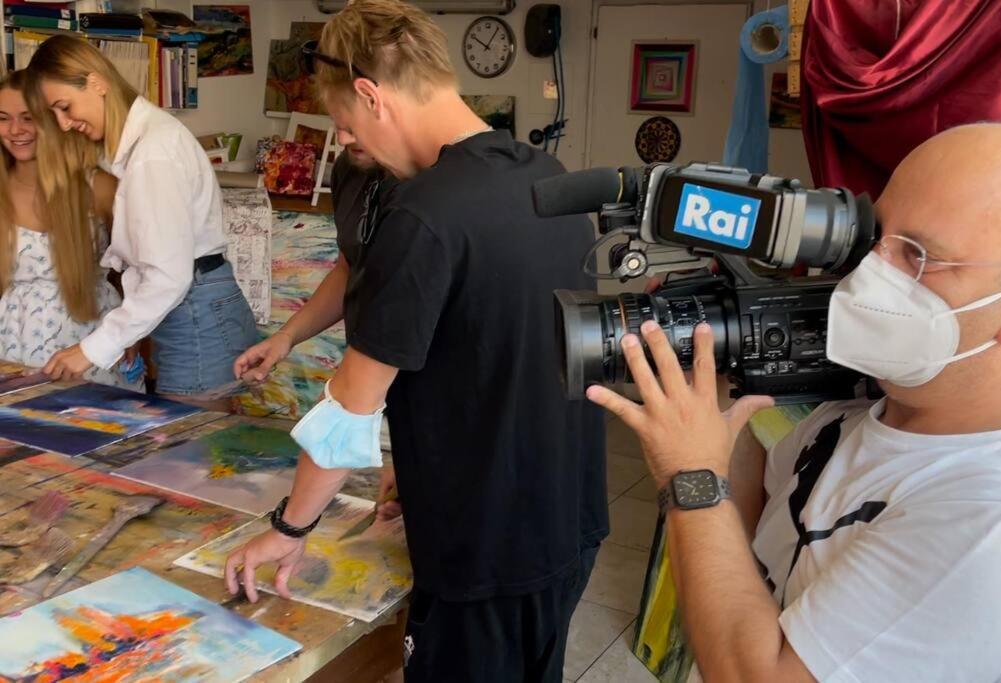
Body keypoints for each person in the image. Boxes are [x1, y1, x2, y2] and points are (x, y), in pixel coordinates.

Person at [223, 1, 608, 680]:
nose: (349, 145)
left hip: (485, 547)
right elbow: (497, 352)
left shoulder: (424, 215)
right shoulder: (554, 179)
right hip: (566, 517)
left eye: (346, 125)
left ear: (372, 95)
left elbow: (350, 404)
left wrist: (288, 529)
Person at [589, 123, 1001, 682]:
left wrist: (689, 475)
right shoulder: (870, 408)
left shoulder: (988, 530)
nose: (868, 275)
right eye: (878, 237)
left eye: (918, 256)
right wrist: (720, 398)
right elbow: (741, 527)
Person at [25, 36, 258, 409]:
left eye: (64, 107)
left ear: (97, 82)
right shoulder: (135, 147)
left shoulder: (153, 152)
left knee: (187, 456)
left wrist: (92, 348)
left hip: (196, 309)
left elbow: (168, 277)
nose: (64, 124)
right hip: (194, 306)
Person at [0, 70, 140, 390]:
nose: (15, 130)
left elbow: (135, 268)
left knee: (104, 434)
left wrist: (132, 331)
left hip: (93, 337)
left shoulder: (99, 187)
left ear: (53, 119)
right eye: (3, 117)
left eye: (27, 117)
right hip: (12, 342)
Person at [233, 144, 380, 385]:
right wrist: (286, 337)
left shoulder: (427, 185)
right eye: (338, 123)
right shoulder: (349, 168)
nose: (343, 136)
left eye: (351, 122)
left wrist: (350, 393)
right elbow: (347, 270)